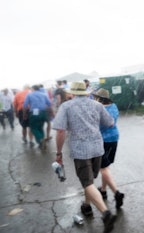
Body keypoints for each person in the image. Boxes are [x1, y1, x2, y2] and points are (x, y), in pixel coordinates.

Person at [52, 82, 117, 233]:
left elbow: (60, 131)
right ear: (86, 92)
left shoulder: (66, 106)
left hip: (81, 150)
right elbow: (110, 123)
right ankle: (87, 206)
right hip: (97, 148)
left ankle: (105, 214)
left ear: (73, 92)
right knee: (90, 181)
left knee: (87, 182)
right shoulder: (97, 105)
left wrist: (58, 153)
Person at [92, 88, 125, 209]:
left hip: (102, 140)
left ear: (99, 98)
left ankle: (117, 193)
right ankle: (104, 190)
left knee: (103, 169)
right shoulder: (114, 106)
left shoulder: (98, 108)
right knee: (106, 168)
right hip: (114, 138)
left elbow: (96, 125)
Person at [23, 85, 53, 149]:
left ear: (33, 89)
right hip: (43, 113)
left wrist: (24, 114)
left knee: (33, 127)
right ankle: (42, 140)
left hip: (34, 113)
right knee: (40, 127)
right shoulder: (44, 95)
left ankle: (40, 140)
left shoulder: (29, 95)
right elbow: (49, 104)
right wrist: (52, 113)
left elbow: (25, 105)